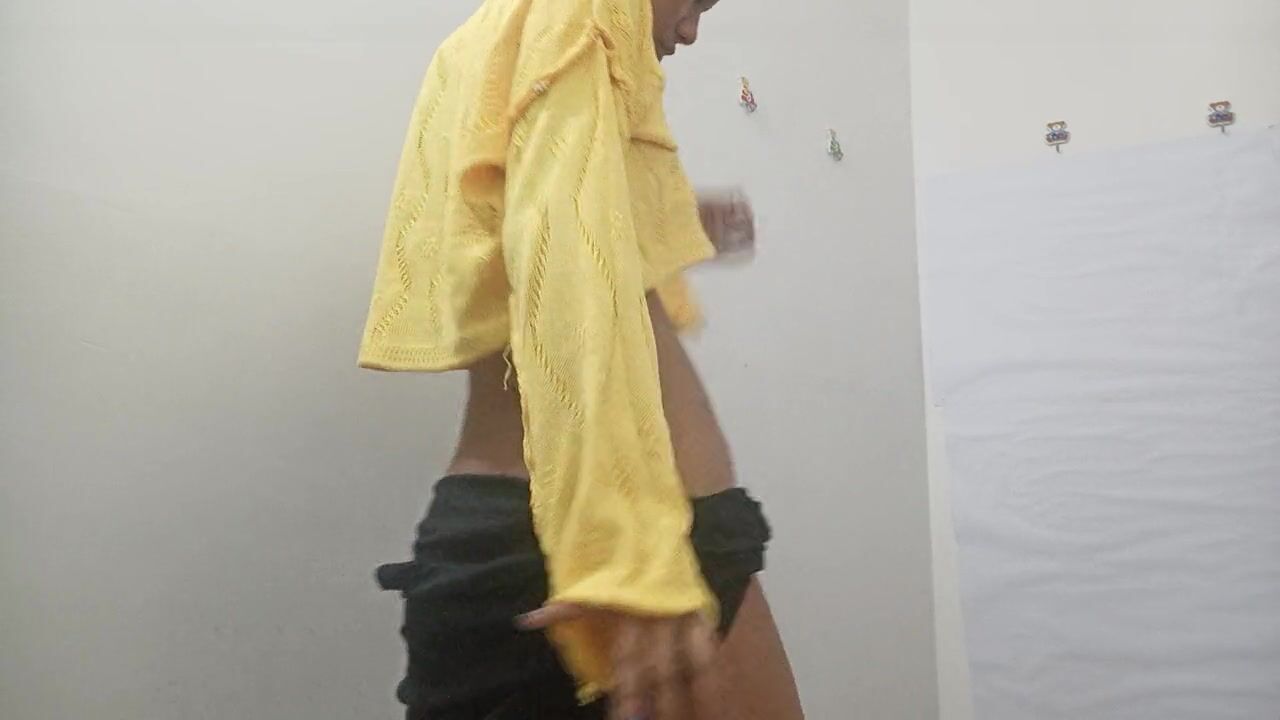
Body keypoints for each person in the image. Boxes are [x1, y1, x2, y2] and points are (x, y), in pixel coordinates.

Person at [359, 0, 804, 717]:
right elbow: (561, 268)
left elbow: (512, 225)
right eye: (696, 2)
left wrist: (669, 216)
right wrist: (627, 560)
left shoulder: (486, 45)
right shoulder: (576, 16)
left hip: (538, 528)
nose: (692, 31)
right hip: (606, 541)